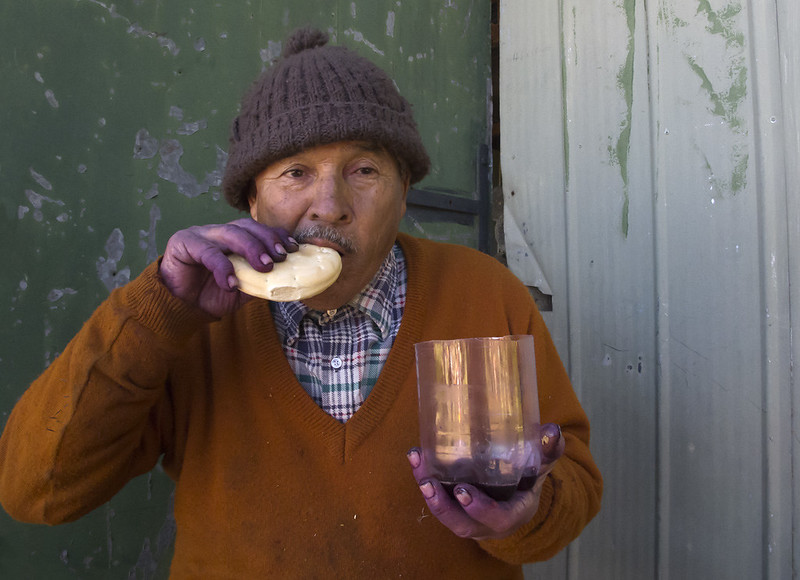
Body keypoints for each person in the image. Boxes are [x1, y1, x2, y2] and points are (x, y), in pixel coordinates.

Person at [0, 27, 602, 578]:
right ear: (252, 202)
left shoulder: (482, 291)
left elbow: (568, 478)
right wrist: (157, 310)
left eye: (363, 170)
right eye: (294, 173)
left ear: (404, 192)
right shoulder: (187, 318)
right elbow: (37, 489)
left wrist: (525, 515)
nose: (329, 205)